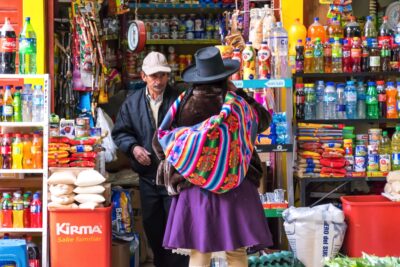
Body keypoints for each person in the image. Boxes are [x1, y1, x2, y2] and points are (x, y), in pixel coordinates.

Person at [153, 46, 273, 267]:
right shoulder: (237, 102)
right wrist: (241, 93)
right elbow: (263, 121)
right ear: (224, 76)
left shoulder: (184, 102)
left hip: (195, 186)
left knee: (200, 250)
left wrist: (192, 161)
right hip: (237, 182)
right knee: (236, 249)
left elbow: (160, 143)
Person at [112, 51, 189, 267]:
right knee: (153, 227)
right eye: (153, 76)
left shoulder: (179, 100)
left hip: (175, 177)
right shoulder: (132, 103)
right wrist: (134, 147)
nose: (158, 80)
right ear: (143, 76)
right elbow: (120, 133)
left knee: (176, 229)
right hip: (148, 177)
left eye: (162, 75)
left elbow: (190, 132)